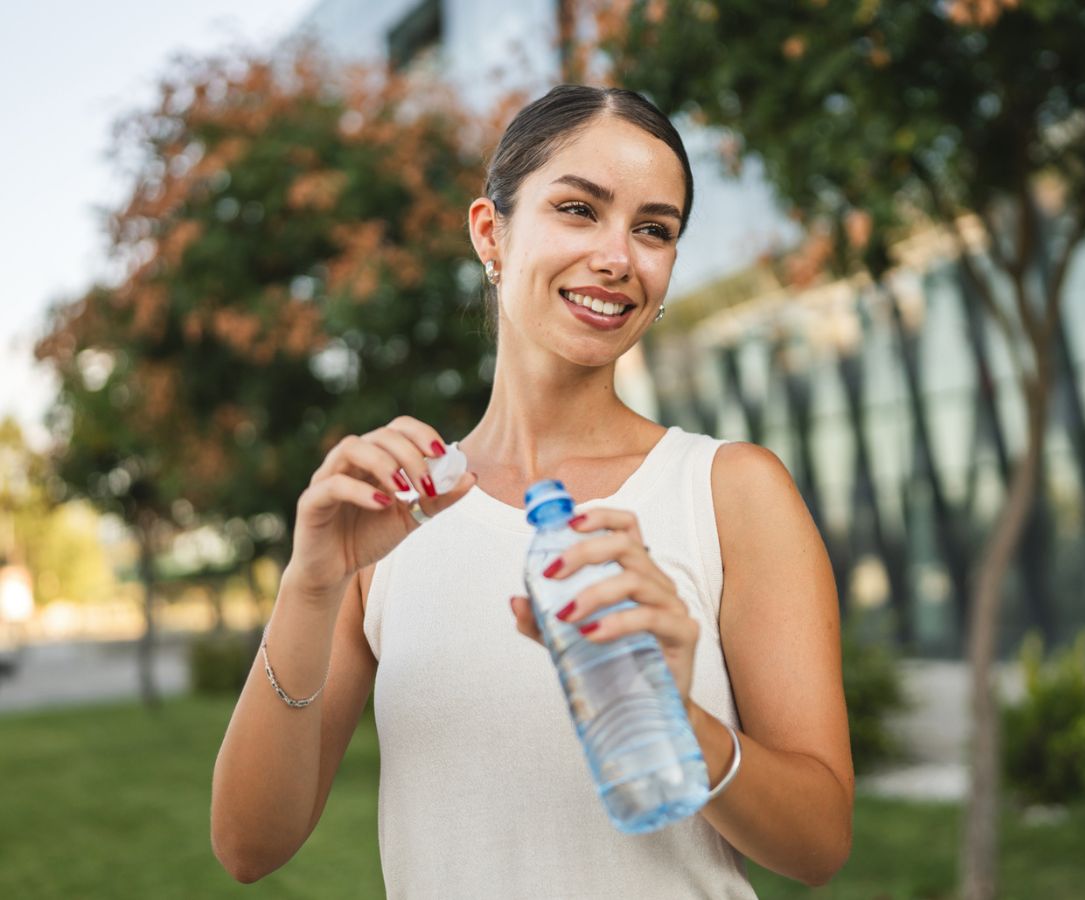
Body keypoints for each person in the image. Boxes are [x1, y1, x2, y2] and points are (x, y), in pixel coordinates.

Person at [211, 84, 853, 898]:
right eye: (580, 210)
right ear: (492, 233)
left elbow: (819, 845)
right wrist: (311, 585)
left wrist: (675, 718)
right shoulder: (391, 517)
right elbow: (247, 847)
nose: (619, 256)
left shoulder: (729, 491)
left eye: (653, 229)